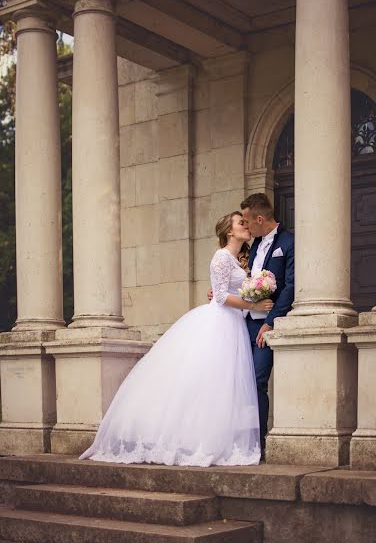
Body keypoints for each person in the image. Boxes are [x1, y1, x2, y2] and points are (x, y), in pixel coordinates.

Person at [80, 212, 273, 467]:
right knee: (207, 383)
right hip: (220, 322)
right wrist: (255, 304)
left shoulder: (238, 261)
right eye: (241, 223)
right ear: (229, 230)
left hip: (234, 323)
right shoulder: (221, 257)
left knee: (224, 386)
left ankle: (214, 437)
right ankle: (192, 440)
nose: (246, 227)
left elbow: (224, 290)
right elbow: (221, 297)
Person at [241, 193, 294, 456]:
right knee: (240, 382)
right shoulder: (254, 247)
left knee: (258, 380)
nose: (247, 228)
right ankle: (243, 439)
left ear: (260, 219)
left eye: (248, 223)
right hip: (246, 324)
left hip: (267, 327)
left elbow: (290, 286)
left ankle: (258, 444)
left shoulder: (289, 242)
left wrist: (271, 323)